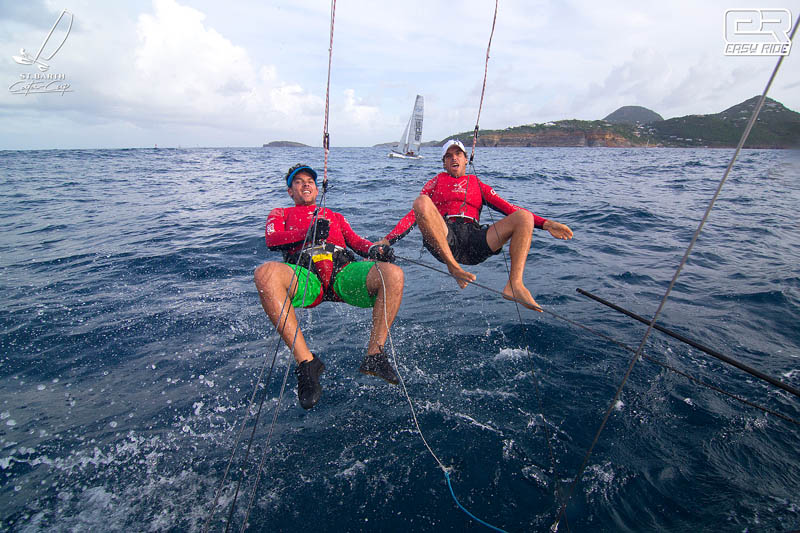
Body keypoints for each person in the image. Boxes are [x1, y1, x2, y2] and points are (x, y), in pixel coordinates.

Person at [254, 164, 404, 410]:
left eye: (310, 180)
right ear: (290, 191)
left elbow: (356, 242)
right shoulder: (279, 213)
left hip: (343, 273)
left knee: (394, 274)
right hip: (305, 276)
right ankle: (306, 363)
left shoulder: (334, 216)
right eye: (298, 181)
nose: (306, 184)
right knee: (264, 273)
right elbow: (272, 239)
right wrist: (307, 232)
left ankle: (375, 355)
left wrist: (376, 250)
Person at [378, 139, 573, 311]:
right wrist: (388, 240)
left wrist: (545, 224)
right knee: (421, 202)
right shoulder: (436, 182)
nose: (454, 158)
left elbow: (509, 208)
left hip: (473, 239)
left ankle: (515, 284)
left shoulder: (477, 184)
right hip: (445, 237)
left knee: (524, 217)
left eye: (458, 154)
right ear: (444, 163)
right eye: (448, 156)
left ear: (465, 159)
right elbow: (414, 214)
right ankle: (454, 268)